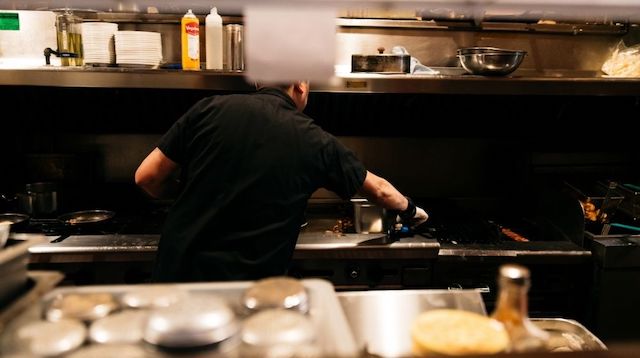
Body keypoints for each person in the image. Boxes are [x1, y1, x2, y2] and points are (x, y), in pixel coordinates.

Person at [135, 81, 428, 282]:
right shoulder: (315, 140)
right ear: (300, 85)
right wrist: (413, 211)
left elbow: (146, 177)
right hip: (249, 292)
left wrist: (185, 193)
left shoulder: (208, 108)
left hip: (176, 279)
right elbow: (380, 190)